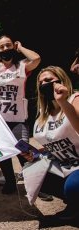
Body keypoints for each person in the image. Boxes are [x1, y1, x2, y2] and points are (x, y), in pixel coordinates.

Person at [0, 35, 41, 194]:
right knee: (3, 151)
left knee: (23, 150)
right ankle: (10, 182)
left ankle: (38, 183)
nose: (5, 49)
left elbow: (37, 59)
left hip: (18, 118)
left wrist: (21, 48)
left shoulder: (22, 66)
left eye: (8, 45)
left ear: (13, 46)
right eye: (2, 47)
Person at [25, 66, 79, 220]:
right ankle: (74, 203)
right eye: (41, 82)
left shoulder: (74, 99)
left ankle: (74, 201)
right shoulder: (44, 113)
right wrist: (34, 153)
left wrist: (63, 102)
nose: (44, 84)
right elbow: (53, 143)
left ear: (61, 80)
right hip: (65, 165)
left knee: (73, 187)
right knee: (32, 168)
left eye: (48, 80)